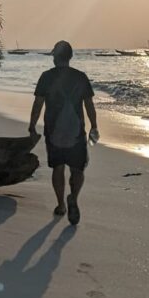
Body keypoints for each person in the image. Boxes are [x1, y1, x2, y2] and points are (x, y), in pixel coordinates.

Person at [29, 40, 98, 225]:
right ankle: (73, 197)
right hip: (76, 132)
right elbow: (89, 104)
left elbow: (38, 104)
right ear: (70, 57)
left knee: (58, 168)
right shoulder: (80, 77)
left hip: (53, 132)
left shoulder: (46, 77)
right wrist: (94, 126)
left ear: (54, 57)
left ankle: (60, 205)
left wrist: (32, 126)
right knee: (77, 169)